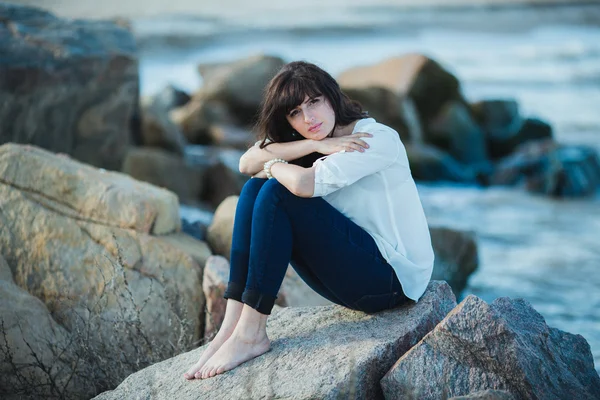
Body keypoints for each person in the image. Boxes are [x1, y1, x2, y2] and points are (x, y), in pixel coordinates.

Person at [184, 61, 434, 380]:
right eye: (295, 112)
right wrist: (314, 144)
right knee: (255, 188)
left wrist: (275, 162)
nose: (309, 118)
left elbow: (300, 184)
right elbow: (247, 163)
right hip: (356, 269)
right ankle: (232, 326)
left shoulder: (373, 139)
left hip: (393, 280)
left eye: (314, 102)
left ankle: (252, 334)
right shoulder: (318, 140)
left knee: (276, 191)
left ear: (332, 96)